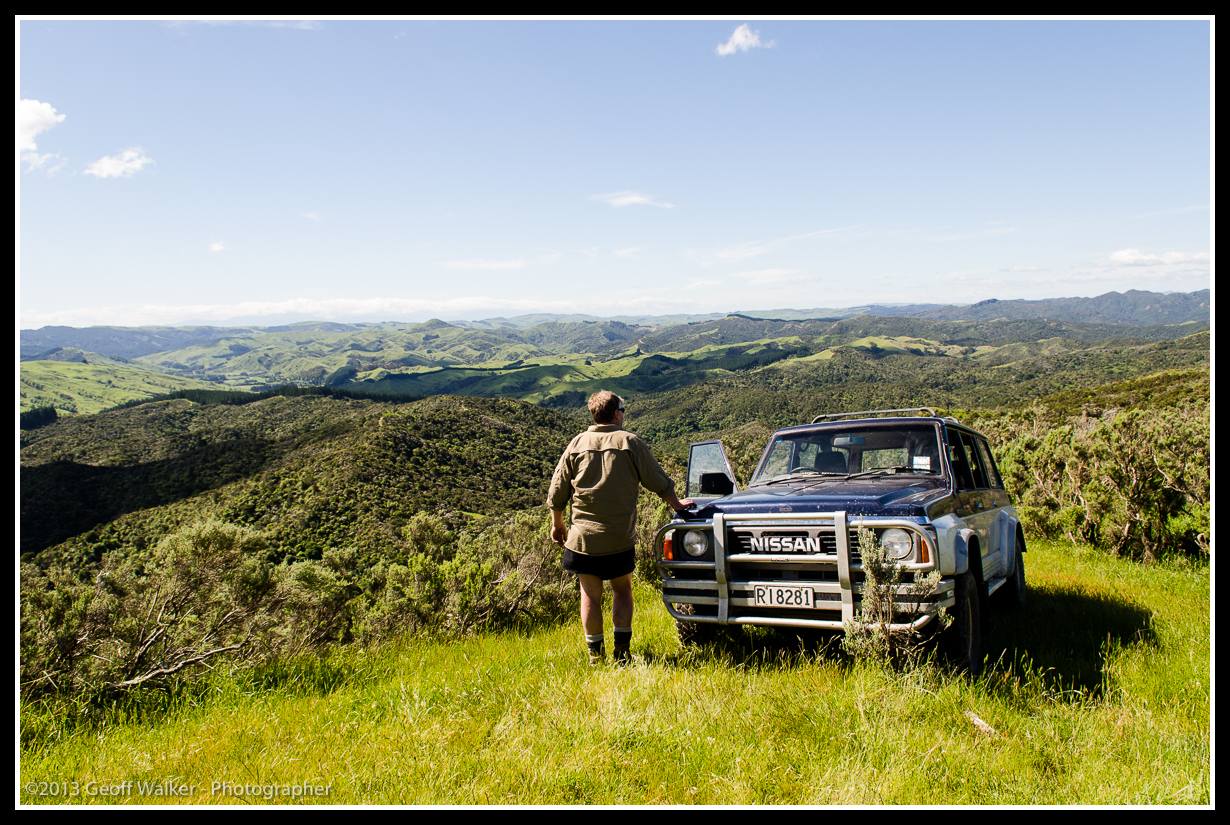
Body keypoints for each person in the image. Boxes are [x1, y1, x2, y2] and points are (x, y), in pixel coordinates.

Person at [547, 390, 692, 665]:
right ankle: (622, 654)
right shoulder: (630, 442)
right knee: (622, 590)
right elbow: (656, 480)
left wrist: (558, 524)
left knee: (590, 595)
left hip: (583, 539)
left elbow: (557, 490)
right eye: (622, 410)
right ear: (616, 414)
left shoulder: (577, 444)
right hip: (618, 538)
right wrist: (677, 504)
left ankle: (595, 656)